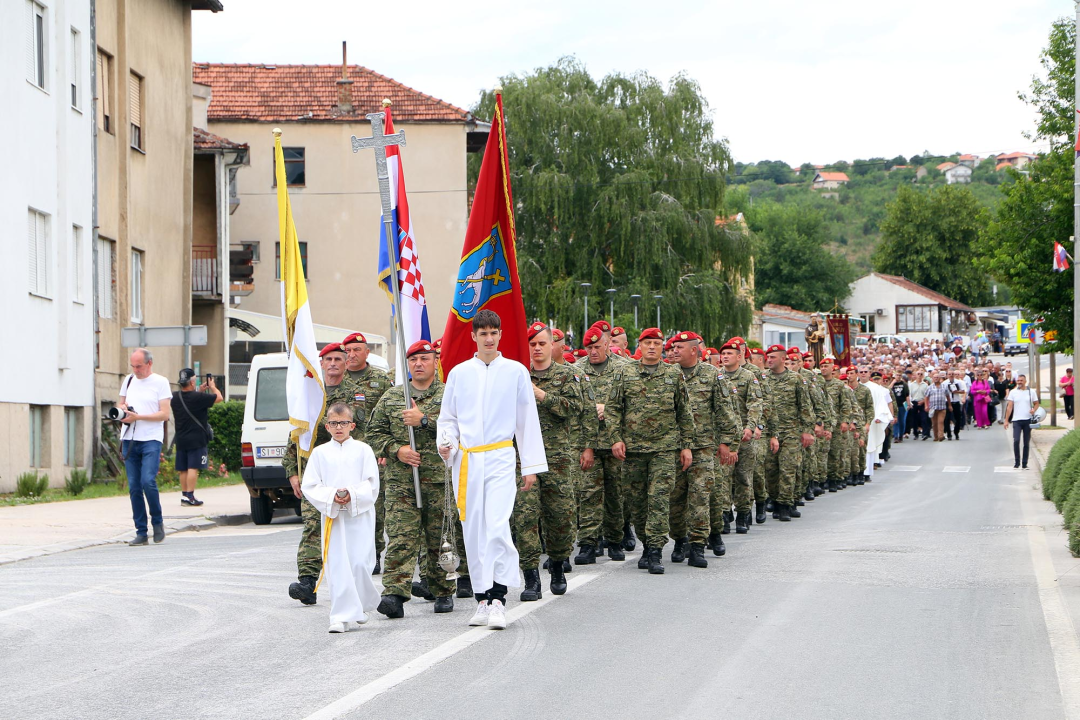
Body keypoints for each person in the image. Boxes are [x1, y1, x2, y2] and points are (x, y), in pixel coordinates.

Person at [437, 309, 548, 629]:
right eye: (482, 333)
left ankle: (499, 598)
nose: (488, 338)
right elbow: (449, 419)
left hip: (500, 456)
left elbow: (527, 420)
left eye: (493, 333)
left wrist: (530, 465)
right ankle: (482, 600)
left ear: (500, 335)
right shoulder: (459, 373)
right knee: (473, 531)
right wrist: (447, 443)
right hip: (468, 460)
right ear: (473, 336)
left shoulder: (515, 372)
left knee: (497, 525)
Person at [368, 340, 462, 618]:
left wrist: (424, 421)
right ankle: (394, 595)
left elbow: (462, 430)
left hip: (438, 481)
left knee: (439, 538)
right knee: (401, 537)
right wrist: (398, 450)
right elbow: (373, 434)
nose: (418, 364)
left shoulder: (449, 396)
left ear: (435, 362)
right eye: (413, 360)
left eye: (424, 358)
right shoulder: (392, 397)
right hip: (402, 483)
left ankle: (443, 590)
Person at [605, 328, 695, 574]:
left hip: (664, 449)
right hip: (633, 450)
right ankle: (646, 544)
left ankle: (655, 551)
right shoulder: (625, 372)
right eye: (648, 343)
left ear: (662, 346)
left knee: (659, 499)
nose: (652, 347)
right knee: (637, 502)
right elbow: (613, 409)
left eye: (657, 343)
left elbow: (684, 412)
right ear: (640, 346)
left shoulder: (673, 374)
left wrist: (686, 445)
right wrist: (615, 439)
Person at [283, 343, 365, 607]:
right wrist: (292, 472)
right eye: (328, 359)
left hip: (347, 471)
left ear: (345, 362)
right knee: (312, 525)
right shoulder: (310, 393)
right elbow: (296, 434)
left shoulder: (355, 396)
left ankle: (353, 581)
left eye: (338, 359)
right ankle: (307, 581)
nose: (333, 363)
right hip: (315, 473)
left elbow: (363, 434)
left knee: (350, 528)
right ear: (321, 363)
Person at [512, 323, 580, 599]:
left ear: (552, 345)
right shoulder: (516, 376)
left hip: (557, 458)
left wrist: (542, 395)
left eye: (542, 343)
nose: (537, 348)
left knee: (560, 517)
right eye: (532, 344)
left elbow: (575, 409)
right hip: (522, 458)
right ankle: (530, 579)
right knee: (525, 518)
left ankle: (558, 565)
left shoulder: (567, 376)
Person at [301, 403, 381, 633]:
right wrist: (332, 496)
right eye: (334, 423)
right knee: (338, 565)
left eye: (343, 423)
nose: (339, 427)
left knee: (359, 564)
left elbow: (372, 483)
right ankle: (339, 616)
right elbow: (311, 485)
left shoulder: (364, 450)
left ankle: (361, 604)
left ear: (352, 425)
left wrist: (352, 495)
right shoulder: (320, 453)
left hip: (359, 515)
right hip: (333, 517)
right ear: (327, 426)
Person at [341, 332, 393, 574]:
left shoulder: (381, 381)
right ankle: (345, 553)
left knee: (375, 506)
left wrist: (384, 449)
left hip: (372, 456)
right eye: (348, 350)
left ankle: (374, 553)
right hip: (341, 456)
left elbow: (389, 417)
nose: (351, 355)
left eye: (356, 350)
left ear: (366, 352)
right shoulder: (335, 379)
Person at [118, 349, 173, 546]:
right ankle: (141, 532)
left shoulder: (161, 382)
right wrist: (122, 411)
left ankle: (157, 522)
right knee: (134, 487)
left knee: (147, 481)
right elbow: (121, 404)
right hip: (129, 438)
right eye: (133, 366)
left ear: (149, 364)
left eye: (139, 366)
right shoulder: (129, 380)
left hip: (151, 438)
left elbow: (164, 414)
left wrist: (138, 416)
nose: (136, 370)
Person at [763, 345, 814, 521]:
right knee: (771, 470)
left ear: (783, 359)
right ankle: (776, 500)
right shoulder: (762, 378)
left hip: (791, 431)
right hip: (769, 433)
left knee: (788, 468)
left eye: (773, 357)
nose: (769, 360)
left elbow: (805, 406)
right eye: (767, 357)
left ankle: (786, 504)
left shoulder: (796, 379)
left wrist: (807, 431)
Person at [170, 368, 222, 506]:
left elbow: (189, 400)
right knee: (193, 467)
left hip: (181, 438)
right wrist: (213, 387)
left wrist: (199, 391)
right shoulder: (199, 398)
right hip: (196, 439)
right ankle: (191, 495)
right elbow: (219, 398)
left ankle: (184, 496)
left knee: (183, 468)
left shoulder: (175, 397)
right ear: (192, 383)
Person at [1005, 374, 1040, 469]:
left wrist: (1033, 409)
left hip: (1027, 420)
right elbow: (1009, 406)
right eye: (1018, 380)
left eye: (1021, 380)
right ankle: (1017, 462)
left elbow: (1036, 403)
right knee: (1016, 440)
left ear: (1025, 381)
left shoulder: (1031, 392)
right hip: (1016, 420)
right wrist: (1006, 420)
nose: (1019, 382)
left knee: (1026, 442)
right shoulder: (1013, 392)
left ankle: (1024, 463)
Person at [925, 372, 950, 442]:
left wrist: (950, 405)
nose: (936, 379)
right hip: (933, 408)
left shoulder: (944, 386)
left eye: (937, 377)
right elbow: (926, 397)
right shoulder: (930, 387)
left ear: (940, 378)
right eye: (935, 377)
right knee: (934, 423)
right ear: (932, 379)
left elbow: (948, 396)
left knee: (941, 422)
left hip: (942, 408)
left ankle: (941, 436)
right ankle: (936, 436)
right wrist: (926, 405)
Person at [890, 373, 909, 443]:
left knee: (902, 421)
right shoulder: (892, 383)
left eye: (899, 375)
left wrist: (908, 404)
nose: (898, 376)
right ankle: (895, 436)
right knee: (895, 420)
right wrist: (893, 382)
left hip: (902, 404)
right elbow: (888, 390)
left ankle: (901, 435)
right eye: (897, 375)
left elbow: (907, 395)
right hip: (894, 404)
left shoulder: (904, 384)